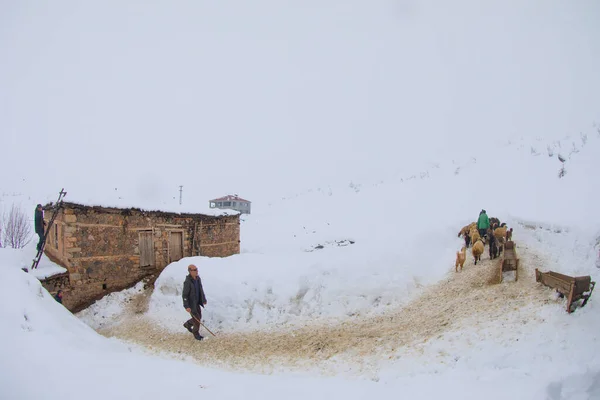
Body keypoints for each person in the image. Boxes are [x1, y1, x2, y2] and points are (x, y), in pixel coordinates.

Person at [182, 264, 207, 340]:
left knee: (198, 317)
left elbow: (200, 290)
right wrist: (186, 306)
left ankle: (188, 324)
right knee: (197, 320)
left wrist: (203, 299)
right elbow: (184, 295)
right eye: (195, 270)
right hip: (191, 304)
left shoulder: (198, 279)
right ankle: (195, 333)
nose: (197, 271)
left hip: (197, 302)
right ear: (190, 271)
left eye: (197, 269)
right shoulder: (187, 282)